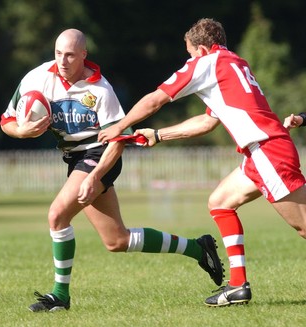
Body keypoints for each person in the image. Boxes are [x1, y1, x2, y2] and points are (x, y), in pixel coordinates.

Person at [0, 28, 224, 312]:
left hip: (101, 154)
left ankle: (60, 296)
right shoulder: (36, 78)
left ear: (83, 55)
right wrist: (23, 131)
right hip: (74, 159)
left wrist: (94, 177)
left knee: (57, 215)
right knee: (117, 240)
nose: (63, 61)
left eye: (70, 55)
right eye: (58, 53)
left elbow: (118, 140)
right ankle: (198, 248)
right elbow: (7, 120)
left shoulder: (101, 90)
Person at [98, 18, 306, 307]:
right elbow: (208, 122)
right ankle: (237, 286)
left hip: (268, 152)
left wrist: (120, 126)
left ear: (203, 48)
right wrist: (159, 135)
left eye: (190, 53)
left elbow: (156, 100)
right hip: (261, 152)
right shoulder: (233, 63)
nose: (188, 60)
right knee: (220, 202)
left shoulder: (206, 63)